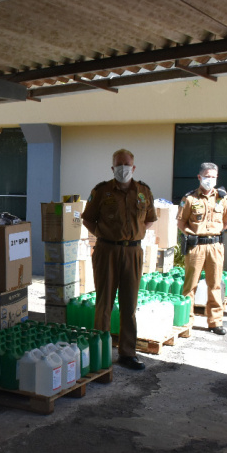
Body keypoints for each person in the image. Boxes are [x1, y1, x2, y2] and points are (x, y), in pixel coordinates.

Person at [81, 149, 157, 370]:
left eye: (127, 164)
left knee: (129, 304)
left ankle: (127, 353)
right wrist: (105, 234)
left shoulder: (143, 191)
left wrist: (136, 233)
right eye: (119, 164)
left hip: (133, 252)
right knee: (104, 303)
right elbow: (87, 219)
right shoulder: (102, 191)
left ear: (133, 167)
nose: (123, 168)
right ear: (113, 168)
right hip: (107, 250)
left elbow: (150, 219)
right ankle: (101, 351)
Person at [176, 162, 227, 335]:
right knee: (190, 286)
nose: (210, 179)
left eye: (213, 177)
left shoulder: (223, 198)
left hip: (215, 246)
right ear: (199, 177)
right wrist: (192, 233)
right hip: (196, 246)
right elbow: (181, 222)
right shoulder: (190, 198)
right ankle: (187, 322)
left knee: (215, 284)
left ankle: (215, 322)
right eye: (207, 176)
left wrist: (215, 233)